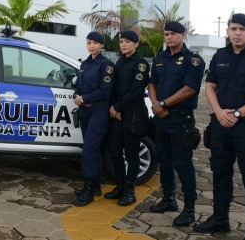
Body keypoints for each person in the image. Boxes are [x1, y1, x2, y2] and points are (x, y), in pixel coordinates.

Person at [194, 13, 245, 240]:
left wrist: (239, 113)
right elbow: (210, 87)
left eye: (242, 29)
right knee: (220, 174)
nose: (237, 33)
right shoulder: (220, 55)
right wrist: (220, 112)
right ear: (228, 31)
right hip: (220, 124)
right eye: (233, 28)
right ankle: (220, 220)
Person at [148, 21, 205, 227]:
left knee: (183, 165)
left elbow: (190, 89)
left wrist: (163, 104)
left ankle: (189, 209)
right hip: (161, 118)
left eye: (173, 33)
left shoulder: (194, 60)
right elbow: (152, 82)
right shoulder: (160, 58)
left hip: (180, 119)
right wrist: (155, 104)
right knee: (163, 161)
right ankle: (169, 199)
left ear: (183, 35)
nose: (169, 37)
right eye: (166, 34)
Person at [104, 30, 149, 206]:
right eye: (121, 41)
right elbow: (114, 88)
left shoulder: (141, 64)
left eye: (127, 41)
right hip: (117, 115)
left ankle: (130, 190)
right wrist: (113, 108)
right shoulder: (120, 61)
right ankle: (121, 185)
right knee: (115, 151)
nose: (123, 44)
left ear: (136, 44)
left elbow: (136, 91)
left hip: (133, 115)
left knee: (131, 153)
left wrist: (117, 107)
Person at [72, 31, 115, 207]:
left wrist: (85, 99)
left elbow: (105, 91)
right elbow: (79, 86)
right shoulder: (84, 64)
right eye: (89, 42)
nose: (92, 46)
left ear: (102, 45)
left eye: (95, 43)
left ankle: (88, 189)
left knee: (89, 150)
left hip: (98, 111)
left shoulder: (107, 65)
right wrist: (77, 96)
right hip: (85, 112)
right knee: (93, 150)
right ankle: (95, 186)